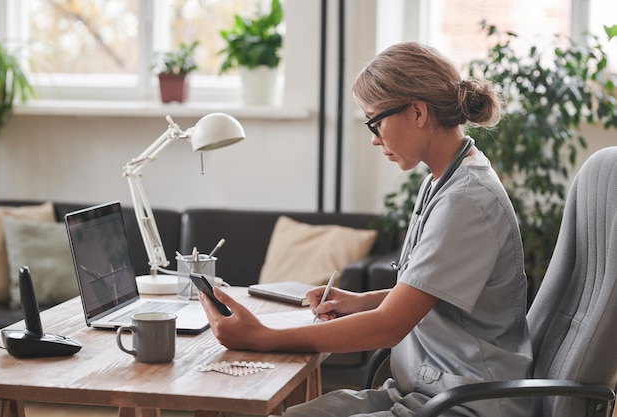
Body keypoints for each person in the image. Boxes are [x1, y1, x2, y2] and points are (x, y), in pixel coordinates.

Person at [198, 41, 533, 417]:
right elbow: (429, 294)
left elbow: (390, 327)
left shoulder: (466, 200)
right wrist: (362, 302)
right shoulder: (444, 181)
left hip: (466, 403)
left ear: (418, 112)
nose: (374, 138)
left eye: (375, 122)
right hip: (430, 390)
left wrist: (263, 337)